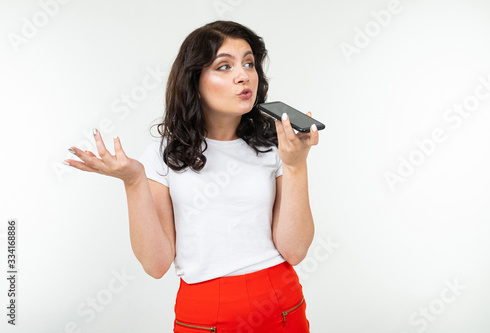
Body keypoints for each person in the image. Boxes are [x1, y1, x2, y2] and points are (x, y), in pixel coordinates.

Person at [64, 20, 319, 333]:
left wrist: (295, 165)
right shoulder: (163, 155)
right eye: (224, 66)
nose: (243, 75)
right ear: (194, 80)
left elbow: (295, 250)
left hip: (281, 304)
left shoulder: (274, 148)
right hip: (204, 313)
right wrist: (134, 182)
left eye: (249, 63)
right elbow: (156, 265)